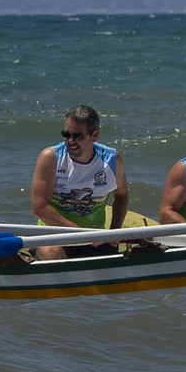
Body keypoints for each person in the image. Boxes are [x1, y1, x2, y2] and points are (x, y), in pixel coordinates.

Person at [29, 105, 130, 260]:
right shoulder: (50, 158)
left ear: (95, 135)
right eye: (66, 134)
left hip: (94, 239)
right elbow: (39, 207)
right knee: (50, 252)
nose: (70, 141)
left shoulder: (111, 160)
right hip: (54, 236)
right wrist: (81, 233)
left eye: (77, 136)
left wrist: (114, 231)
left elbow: (122, 196)